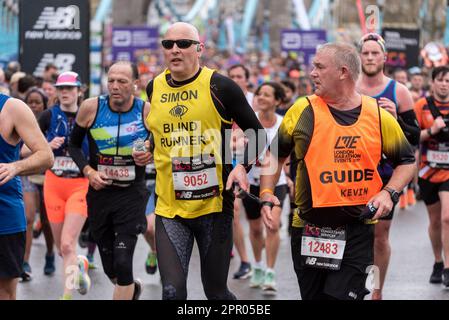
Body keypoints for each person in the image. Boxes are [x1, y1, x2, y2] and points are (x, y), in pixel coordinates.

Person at [259, 42, 415, 300]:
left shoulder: (377, 115)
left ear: (343, 72)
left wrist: (389, 193)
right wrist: (266, 193)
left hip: (357, 229)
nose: (312, 73)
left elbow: (407, 161)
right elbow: (275, 154)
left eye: (319, 67)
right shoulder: (302, 110)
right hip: (308, 228)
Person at [134, 22, 266, 300]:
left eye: (183, 43)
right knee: (171, 293)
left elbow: (258, 134)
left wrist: (242, 167)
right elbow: (156, 132)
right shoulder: (153, 87)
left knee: (216, 293)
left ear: (199, 49)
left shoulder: (221, 86)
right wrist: (146, 147)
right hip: (170, 207)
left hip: (214, 206)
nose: (174, 50)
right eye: (168, 44)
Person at [69, 61, 150, 300]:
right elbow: (73, 145)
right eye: (111, 80)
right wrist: (88, 172)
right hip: (100, 194)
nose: (115, 86)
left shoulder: (145, 110)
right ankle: (130, 288)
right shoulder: (91, 108)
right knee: (112, 269)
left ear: (135, 84)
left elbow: (155, 143)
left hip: (131, 193)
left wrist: (149, 150)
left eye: (122, 81)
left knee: (124, 261)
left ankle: (126, 285)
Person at [356, 32, 420, 300]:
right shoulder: (349, 87)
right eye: (366, 53)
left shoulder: (399, 91)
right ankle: (354, 285)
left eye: (375, 53)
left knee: (379, 236)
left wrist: (395, 119)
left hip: (385, 174)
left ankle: (377, 290)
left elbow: (415, 137)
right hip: (353, 172)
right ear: (359, 57)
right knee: (355, 236)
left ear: (384, 57)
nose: (370, 57)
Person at [36, 72, 91, 300]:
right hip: (54, 185)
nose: (65, 92)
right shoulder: (48, 116)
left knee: (68, 244)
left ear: (80, 90)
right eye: (61, 89)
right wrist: (47, 146)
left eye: (70, 88)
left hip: (80, 185)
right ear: (57, 92)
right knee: (62, 249)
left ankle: (66, 296)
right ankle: (79, 264)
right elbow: (24, 149)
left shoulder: (89, 115)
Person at [0, 93, 54, 300]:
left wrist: (15, 167)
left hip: (4, 217)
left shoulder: (12, 109)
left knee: (5, 292)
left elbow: (46, 156)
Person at [241, 82, 289, 294]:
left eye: (267, 95)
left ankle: (270, 271)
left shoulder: (284, 124)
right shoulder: (247, 122)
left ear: (277, 100)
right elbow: (229, 148)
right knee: (254, 228)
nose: (261, 98)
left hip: (276, 184)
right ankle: (258, 265)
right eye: (259, 94)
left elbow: (291, 154)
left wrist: (291, 177)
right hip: (251, 183)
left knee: (272, 225)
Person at [414, 65, 449, 288]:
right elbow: (411, 136)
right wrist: (431, 131)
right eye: (441, 80)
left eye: (448, 81)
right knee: (435, 221)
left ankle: (448, 269)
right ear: (433, 82)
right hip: (427, 170)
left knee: (447, 218)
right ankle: (438, 262)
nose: (445, 84)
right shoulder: (421, 105)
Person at [20, 88, 56, 281]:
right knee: (27, 218)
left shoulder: (49, 120)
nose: (33, 105)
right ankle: (25, 262)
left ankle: (50, 254)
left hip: (49, 176)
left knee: (47, 221)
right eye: (30, 101)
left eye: (37, 102)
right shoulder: (19, 120)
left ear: (44, 104)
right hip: (28, 177)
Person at [228, 63, 254, 280]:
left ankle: (262, 263)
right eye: (232, 76)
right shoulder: (224, 101)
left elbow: (265, 133)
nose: (236, 80)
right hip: (233, 163)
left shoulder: (256, 101)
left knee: (257, 223)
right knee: (234, 211)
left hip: (260, 164)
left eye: (239, 76)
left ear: (247, 79)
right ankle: (245, 261)